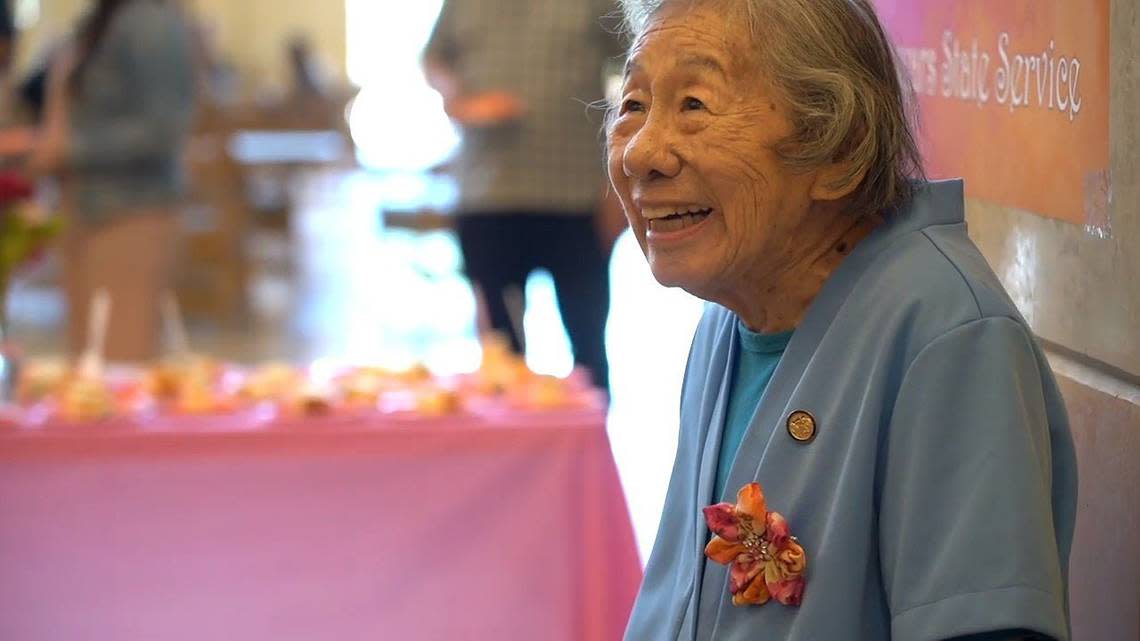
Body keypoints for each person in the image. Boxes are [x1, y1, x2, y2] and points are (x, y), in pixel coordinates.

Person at [607, 1, 1077, 640]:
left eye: (694, 104)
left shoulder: (949, 334)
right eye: (632, 105)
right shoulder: (732, 313)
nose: (641, 153)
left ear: (839, 147)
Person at [422, 0, 624, 391]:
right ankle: (510, 448)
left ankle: (587, 449)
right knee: (502, 356)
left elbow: (639, 59)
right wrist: (459, 99)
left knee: (588, 347)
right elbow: (434, 58)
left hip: (576, 196)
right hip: (488, 197)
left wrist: (620, 187)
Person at [27, 0, 196, 362]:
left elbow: (164, 129)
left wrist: (70, 149)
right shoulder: (105, 18)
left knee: (121, 363)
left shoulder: (151, 20)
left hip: (130, 209)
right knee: (88, 364)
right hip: (83, 206)